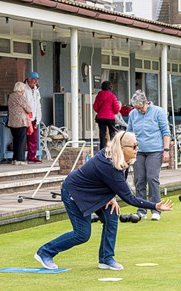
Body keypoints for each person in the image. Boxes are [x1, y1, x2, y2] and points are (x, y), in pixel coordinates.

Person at [34, 131, 173, 270]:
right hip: (74, 192)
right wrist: (155, 205)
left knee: (111, 215)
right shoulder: (109, 164)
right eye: (134, 146)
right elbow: (129, 198)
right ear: (122, 148)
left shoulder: (118, 159)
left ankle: (106, 258)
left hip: (92, 192)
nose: (137, 149)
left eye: (137, 145)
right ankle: (45, 252)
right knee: (82, 234)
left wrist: (110, 197)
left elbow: (105, 181)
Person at [127, 90, 171, 221]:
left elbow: (165, 132)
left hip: (155, 150)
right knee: (139, 179)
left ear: (146, 102)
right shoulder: (132, 114)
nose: (139, 111)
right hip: (138, 151)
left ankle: (156, 209)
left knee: (152, 178)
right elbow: (129, 133)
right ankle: (141, 210)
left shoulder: (158, 112)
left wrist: (166, 150)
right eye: (136, 108)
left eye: (140, 108)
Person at [7, 82, 32, 165]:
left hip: (12, 122)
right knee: (21, 140)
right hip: (21, 122)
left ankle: (14, 159)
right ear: (21, 89)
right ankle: (20, 159)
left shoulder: (11, 96)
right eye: (23, 89)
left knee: (15, 140)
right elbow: (28, 109)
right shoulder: (21, 97)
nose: (24, 90)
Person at [93, 81, 120, 150]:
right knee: (112, 133)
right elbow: (117, 109)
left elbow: (95, 107)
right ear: (110, 87)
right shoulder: (112, 96)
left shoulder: (98, 96)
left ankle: (102, 149)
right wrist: (113, 112)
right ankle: (112, 148)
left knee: (102, 133)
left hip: (101, 117)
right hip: (110, 117)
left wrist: (100, 111)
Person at [25, 71, 42, 163]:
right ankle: (20, 157)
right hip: (26, 117)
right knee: (24, 138)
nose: (35, 81)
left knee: (34, 138)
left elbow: (38, 105)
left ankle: (32, 156)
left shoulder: (36, 90)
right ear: (29, 79)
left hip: (34, 117)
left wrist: (38, 119)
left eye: (37, 80)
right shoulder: (24, 89)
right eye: (34, 79)